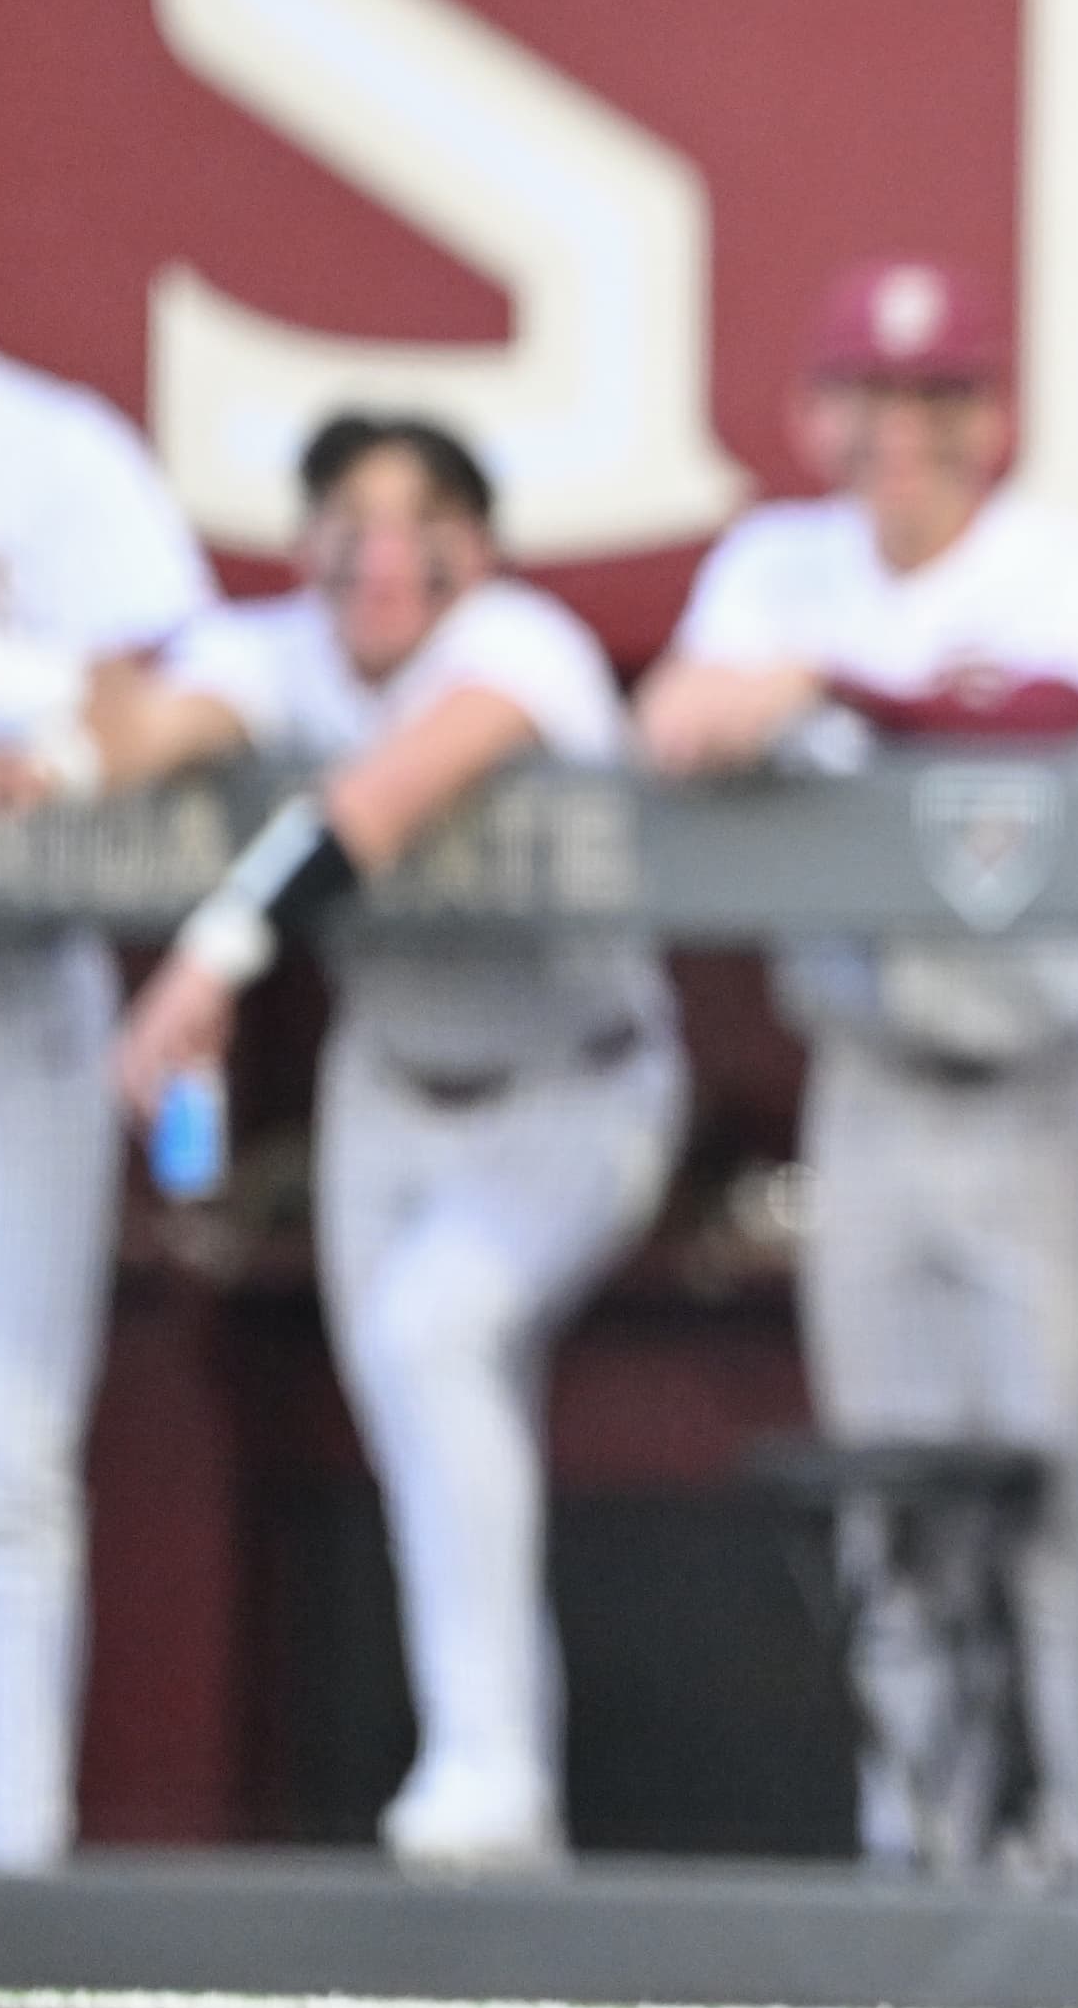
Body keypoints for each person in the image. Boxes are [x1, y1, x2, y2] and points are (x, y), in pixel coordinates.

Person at [635, 256, 1078, 1873]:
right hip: (866, 1085)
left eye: (942, 400)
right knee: (897, 1504)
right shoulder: (773, 565)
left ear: (992, 419)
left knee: (1069, 1496)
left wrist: (830, 694)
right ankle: (918, 1851)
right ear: (816, 415)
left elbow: (1073, 711)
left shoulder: (1071, 566)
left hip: (1049, 1086)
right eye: (874, 397)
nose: (908, 434)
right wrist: (778, 692)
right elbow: (673, 724)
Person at [95, 410, 683, 1872]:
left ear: (471, 548)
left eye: (418, 521)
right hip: (390, 1084)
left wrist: (213, 957)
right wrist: (73, 716)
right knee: (419, 1407)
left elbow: (384, 795)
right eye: (349, 518)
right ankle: (492, 1774)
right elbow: (161, 729)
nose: (381, 555)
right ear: (310, 540)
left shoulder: (524, 644)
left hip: (579, 1078)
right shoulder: (269, 646)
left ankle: (488, 1774)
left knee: (434, 1337)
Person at [0, 351, 215, 1871]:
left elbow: (169, 684)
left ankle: (11, 1853)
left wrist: (58, 725)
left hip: (17, 979)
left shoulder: (47, 445)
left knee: (8, 1445)